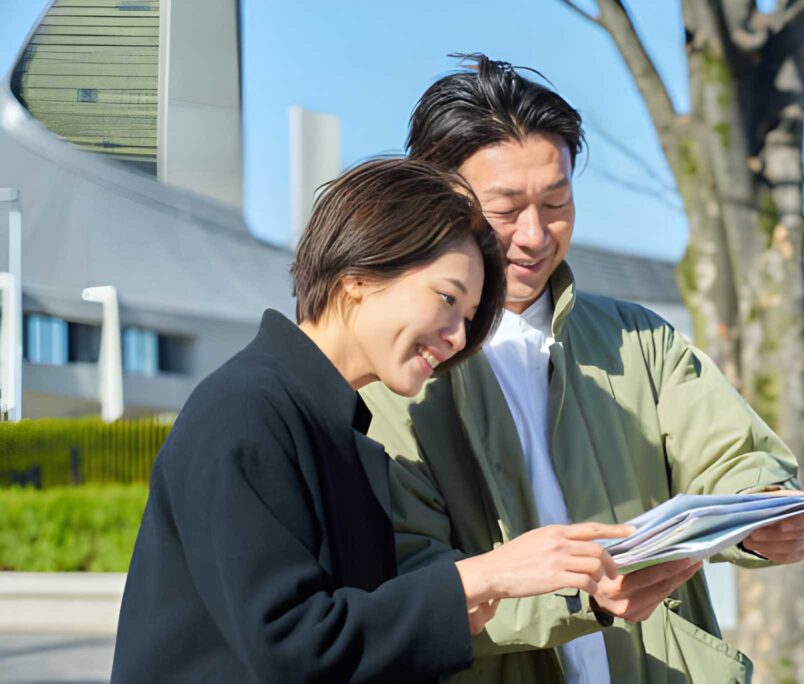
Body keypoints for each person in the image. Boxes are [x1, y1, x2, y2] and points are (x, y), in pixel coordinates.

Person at [360, 56, 804, 683]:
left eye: (556, 201)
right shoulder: (396, 373)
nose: (534, 234)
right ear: (436, 201)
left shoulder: (637, 339)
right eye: (505, 208)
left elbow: (736, 459)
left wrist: (764, 516)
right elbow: (410, 582)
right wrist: (584, 596)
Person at [111, 158, 632, 683]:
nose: (456, 336)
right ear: (359, 274)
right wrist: (480, 576)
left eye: (469, 318)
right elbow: (292, 645)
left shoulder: (330, 427)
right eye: (447, 299)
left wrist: (467, 601)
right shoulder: (244, 412)